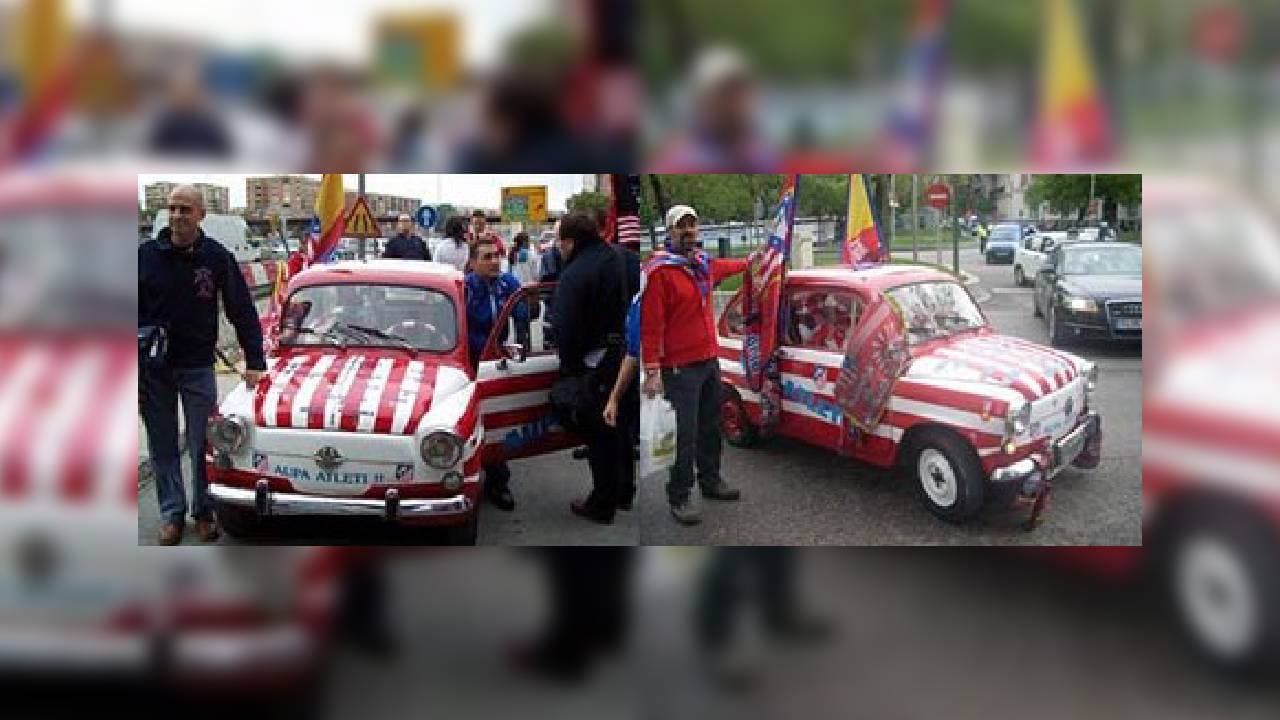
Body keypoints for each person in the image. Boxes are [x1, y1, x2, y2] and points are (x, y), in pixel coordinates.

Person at [138, 186, 265, 545]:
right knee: (162, 444)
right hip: (152, 371)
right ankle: (171, 514)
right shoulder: (144, 256)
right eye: (172, 208)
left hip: (197, 366)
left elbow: (241, 309)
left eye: (185, 209)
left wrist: (254, 360)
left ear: (200, 215)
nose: (177, 215)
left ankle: (204, 512)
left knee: (202, 445)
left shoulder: (217, 257)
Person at [640, 204, 747, 525]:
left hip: (708, 361)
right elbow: (651, 325)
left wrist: (757, 262)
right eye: (681, 226)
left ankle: (711, 480)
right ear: (669, 232)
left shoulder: (701, 265)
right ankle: (680, 494)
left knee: (711, 427)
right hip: (678, 368)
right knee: (683, 435)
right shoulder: (660, 271)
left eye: (692, 225)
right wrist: (652, 370)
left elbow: (730, 267)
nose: (688, 231)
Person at [550, 212, 629, 524]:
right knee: (619, 427)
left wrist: (569, 368)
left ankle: (601, 503)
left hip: (594, 363)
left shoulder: (575, 272)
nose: (558, 248)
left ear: (570, 241)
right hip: (623, 356)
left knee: (598, 435)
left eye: (559, 242)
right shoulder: (620, 258)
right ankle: (623, 492)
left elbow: (565, 327)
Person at [465, 237, 527, 511]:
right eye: (486, 257)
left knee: (497, 419)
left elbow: (525, 314)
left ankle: (498, 482)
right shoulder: (464, 288)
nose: (494, 262)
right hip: (467, 361)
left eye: (496, 256)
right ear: (472, 262)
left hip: (497, 359)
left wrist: (526, 305)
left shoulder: (508, 284)